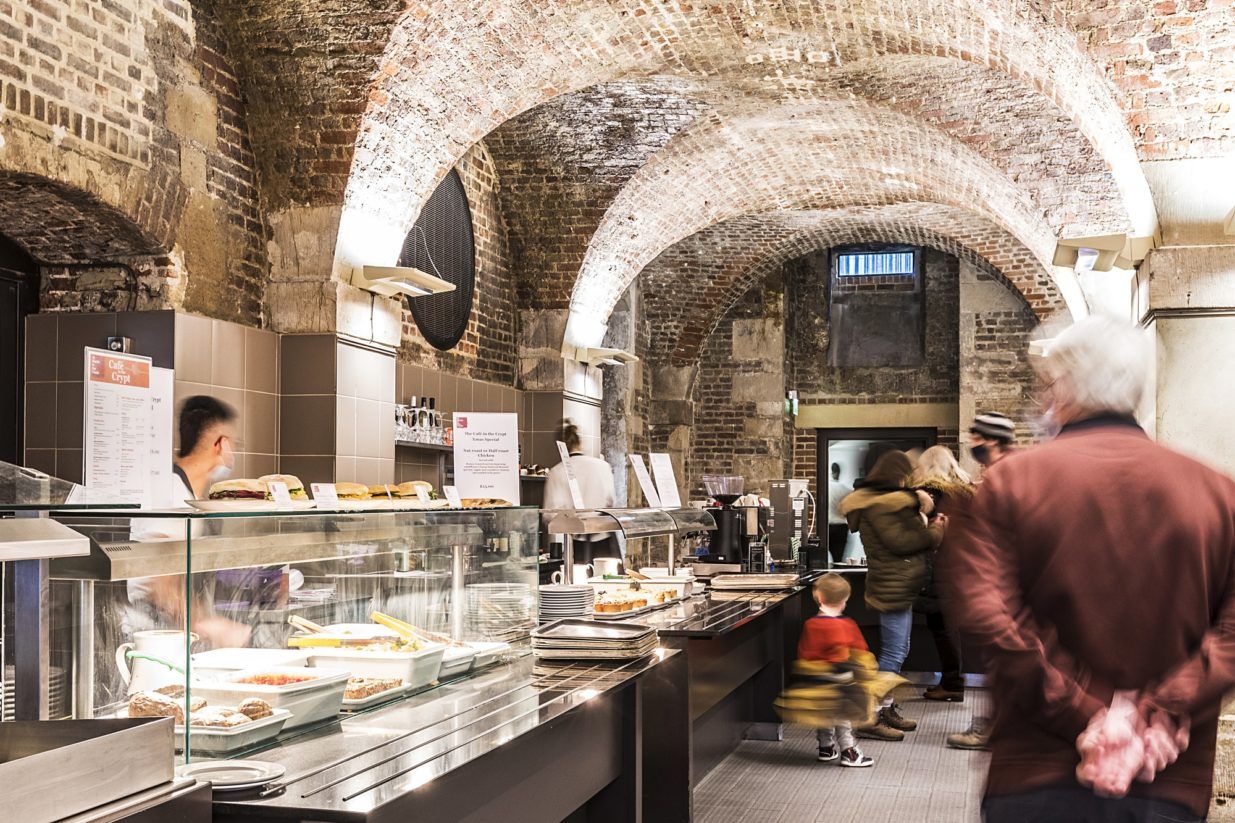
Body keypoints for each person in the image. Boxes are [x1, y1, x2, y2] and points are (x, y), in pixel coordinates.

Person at [944, 316, 1235, 822]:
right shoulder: (1218, 493)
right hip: (1164, 774)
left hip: (1037, 774)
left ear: (1064, 388)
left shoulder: (1011, 484)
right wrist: (1158, 711)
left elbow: (988, 616)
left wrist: (1089, 715)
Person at [839, 449, 946, 741]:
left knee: (899, 649)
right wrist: (936, 532)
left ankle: (884, 708)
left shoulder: (881, 504)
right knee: (894, 652)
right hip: (892, 587)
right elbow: (902, 542)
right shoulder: (882, 507)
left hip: (896, 585)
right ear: (897, 476)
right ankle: (869, 716)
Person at [946, 412, 1017, 751]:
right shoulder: (996, 475)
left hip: (1006, 591)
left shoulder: (1006, 477)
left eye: (976, 438)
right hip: (1002, 589)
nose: (972, 444)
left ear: (991, 440)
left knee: (1007, 664)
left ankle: (997, 729)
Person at [911, 445, 974, 704]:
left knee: (942, 628)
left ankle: (952, 683)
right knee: (952, 630)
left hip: (940, 569)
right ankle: (952, 680)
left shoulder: (929, 495)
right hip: (966, 568)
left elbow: (920, 535)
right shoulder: (967, 494)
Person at [793, 573, 876, 768]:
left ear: (819, 599)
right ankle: (849, 752)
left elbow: (803, 653)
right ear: (843, 602)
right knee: (843, 717)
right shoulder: (846, 625)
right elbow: (860, 651)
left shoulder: (810, 624)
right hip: (839, 680)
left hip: (814, 680)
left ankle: (826, 747)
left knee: (824, 713)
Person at [543, 419, 620, 564]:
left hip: (577, 541)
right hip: (604, 539)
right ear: (581, 443)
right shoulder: (602, 466)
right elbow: (611, 501)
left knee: (579, 582)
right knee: (609, 581)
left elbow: (550, 513)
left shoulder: (557, 472)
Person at [827, 462, 853, 564]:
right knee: (838, 558)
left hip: (827, 526)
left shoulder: (825, 488)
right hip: (841, 527)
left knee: (822, 558)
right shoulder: (845, 489)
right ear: (838, 473)